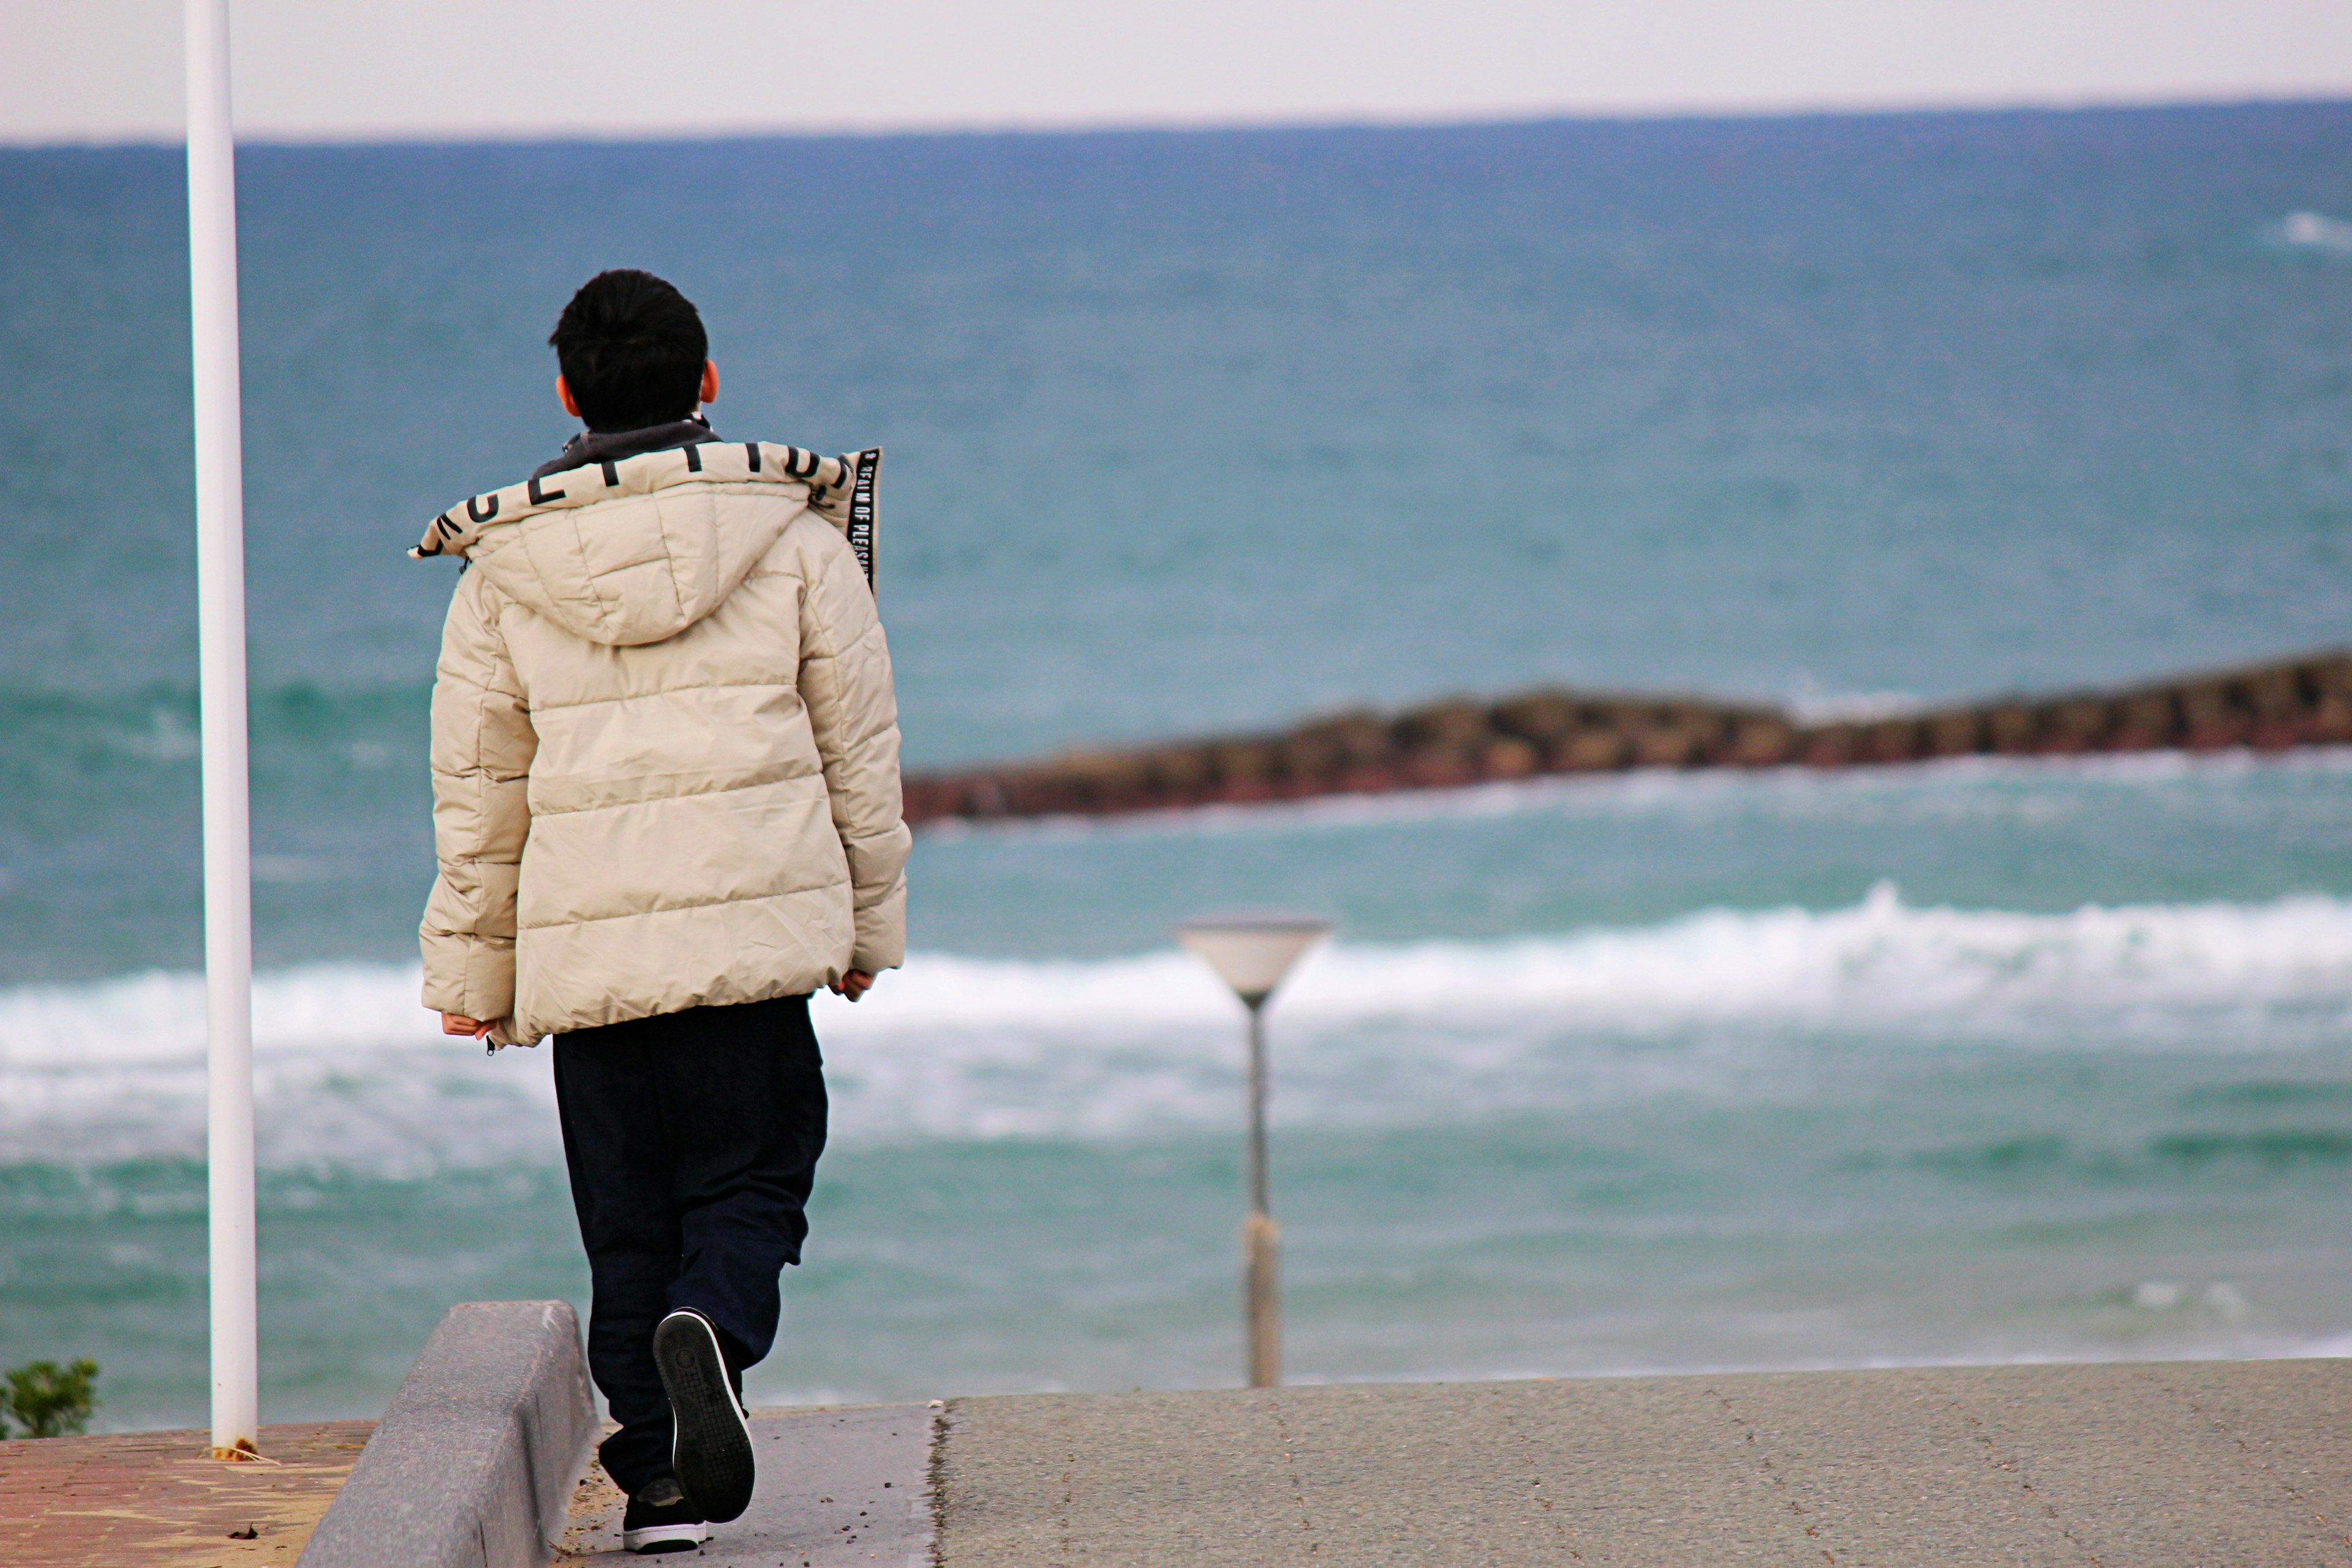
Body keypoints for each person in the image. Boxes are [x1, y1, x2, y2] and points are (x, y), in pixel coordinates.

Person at [410, 269, 908, 1555]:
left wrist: (476, 964)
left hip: (592, 957)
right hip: (751, 952)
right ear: (710, 383)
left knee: (626, 1219)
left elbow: (481, 787)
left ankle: (662, 1482)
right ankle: (719, 1332)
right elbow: (859, 747)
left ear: (566, 393)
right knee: (754, 1181)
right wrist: (864, 927)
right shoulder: (795, 540)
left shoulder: (502, 569)